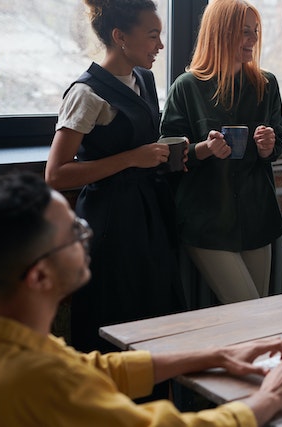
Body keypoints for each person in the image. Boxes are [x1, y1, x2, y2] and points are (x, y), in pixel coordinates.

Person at [0, 172, 282, 427]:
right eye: (74, 231)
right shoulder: (36, 380)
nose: (88, 234)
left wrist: (219, 356)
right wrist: (269, 399)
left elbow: (94, 370)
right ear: (39, 275)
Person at [45, 0, 186, 354]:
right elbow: (56, 174)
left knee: (156, 315)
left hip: (149, 215)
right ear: (120, 36)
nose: (161, 46)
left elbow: (145, 151)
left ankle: (154, 403)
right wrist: (131, 159)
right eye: (153, 35)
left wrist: (180, 154)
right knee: (116, 315)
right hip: (110, 223)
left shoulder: (145, 79)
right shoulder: (86, 93)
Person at [160, 0, 282, 305]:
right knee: (248, 313)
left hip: (257, 216)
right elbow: (169, 154)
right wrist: (203, 149)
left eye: (255, 31)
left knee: (257, 311)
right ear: (220, 33)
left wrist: (269, 145)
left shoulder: (266, 85)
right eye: (245, 31)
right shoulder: (186, 87)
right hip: (207, 221)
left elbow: (278, 141)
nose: (253, 39)